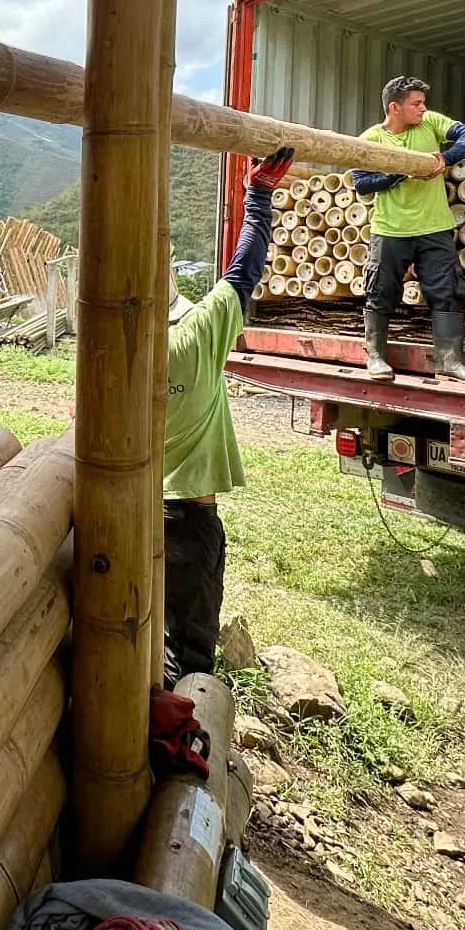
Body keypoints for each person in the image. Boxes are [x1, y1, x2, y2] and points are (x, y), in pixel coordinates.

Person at [161, 144, 294, 686]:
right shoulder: (199, 332)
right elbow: (247, 265)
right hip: (187, 519)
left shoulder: (109, 346)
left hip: (127, 509)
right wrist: (258, 195)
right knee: (189, 646)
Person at [349, 75, 465, 385]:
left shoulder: (430, 123)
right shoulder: (371, 138)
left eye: (423, 103)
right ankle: (375, 357)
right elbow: (362, 184)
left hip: (435, 228)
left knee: (446, 293)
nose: (423, 108)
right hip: (390, 230)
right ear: (394, 107)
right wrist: (399, 174)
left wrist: (444, 158)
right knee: (380, 292)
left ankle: (450, 362)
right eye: (416, 103)